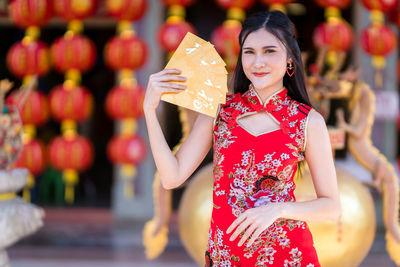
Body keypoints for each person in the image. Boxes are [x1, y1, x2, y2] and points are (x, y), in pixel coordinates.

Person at [143, 10, 340, 267]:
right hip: (226, 257)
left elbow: (331, 206)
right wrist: (149, 111)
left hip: (286, 256)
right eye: (249, 52)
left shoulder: (307, 121)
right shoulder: (220, 111)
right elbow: (172, 177)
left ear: (290, 58)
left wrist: (279, 209)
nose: (258, 62)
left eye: (270, 51)